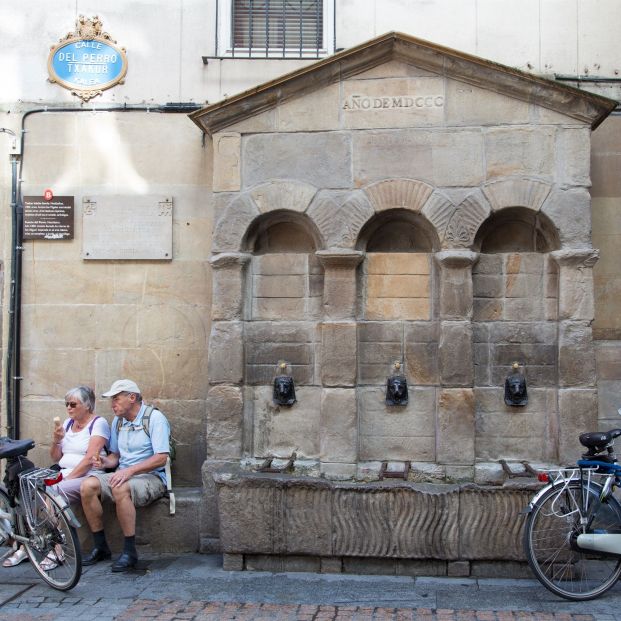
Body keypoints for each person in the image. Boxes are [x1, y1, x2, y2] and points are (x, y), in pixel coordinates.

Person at [3, 385, 110, 569]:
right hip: (64, 472)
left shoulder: (98, 423)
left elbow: (89, 459)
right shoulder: (67, 424)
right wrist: (57, 440)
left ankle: (58, 549)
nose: (68, 408)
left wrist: (65, 480)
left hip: (87, 475)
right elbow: (56, 457)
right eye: (66, 404)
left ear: (87, 405)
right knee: (28, 488)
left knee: (53, 491)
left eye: (73, 404)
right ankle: (25, 546)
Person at [80, 379, 170, 572]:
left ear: (132, 397)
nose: (113, 404)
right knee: (87, 486)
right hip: (124, 473)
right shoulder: (118, 421)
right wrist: (104, 462)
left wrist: (129, 471)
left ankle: (129, 551)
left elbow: (161, 458)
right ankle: (100, 546)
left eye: (116, 398)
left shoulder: (154, 418)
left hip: (151, 476)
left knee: (120, 486)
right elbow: (115, 456)